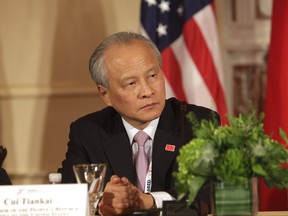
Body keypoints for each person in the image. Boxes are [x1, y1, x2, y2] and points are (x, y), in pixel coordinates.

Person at [58, 32, 220, 215]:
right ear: (105, 94)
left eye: (152, 76)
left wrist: (148, 201)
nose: (147, 91)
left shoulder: (197, 123)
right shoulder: (88, 132)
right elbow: (66, 196)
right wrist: (103, 202)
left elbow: (209, 194)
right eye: (131, 83)